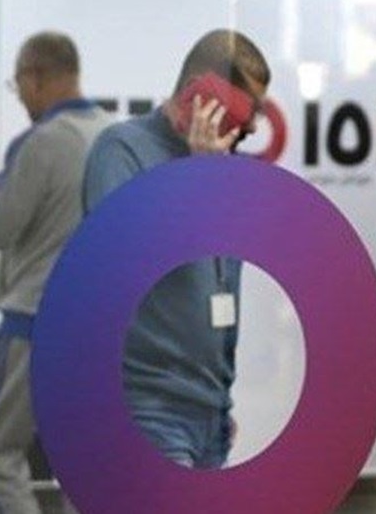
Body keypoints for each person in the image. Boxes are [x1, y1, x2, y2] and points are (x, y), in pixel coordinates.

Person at [82, 28, 271, 469]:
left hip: (210, 414)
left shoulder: (225, 166)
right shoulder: (122, 150)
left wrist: (215, 403)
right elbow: (117, 266)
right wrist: (195, 181)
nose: (253, 125)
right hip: (148, 408)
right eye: (246, 108)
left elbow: (220, 280)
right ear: (200, 92)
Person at [0, 31, 111, 514]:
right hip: (95, 327)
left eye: (18, 84)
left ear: (35, 77)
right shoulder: (113, 136)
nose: (20, 95)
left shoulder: (40, 141)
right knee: (84, 459)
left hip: (33, 323)